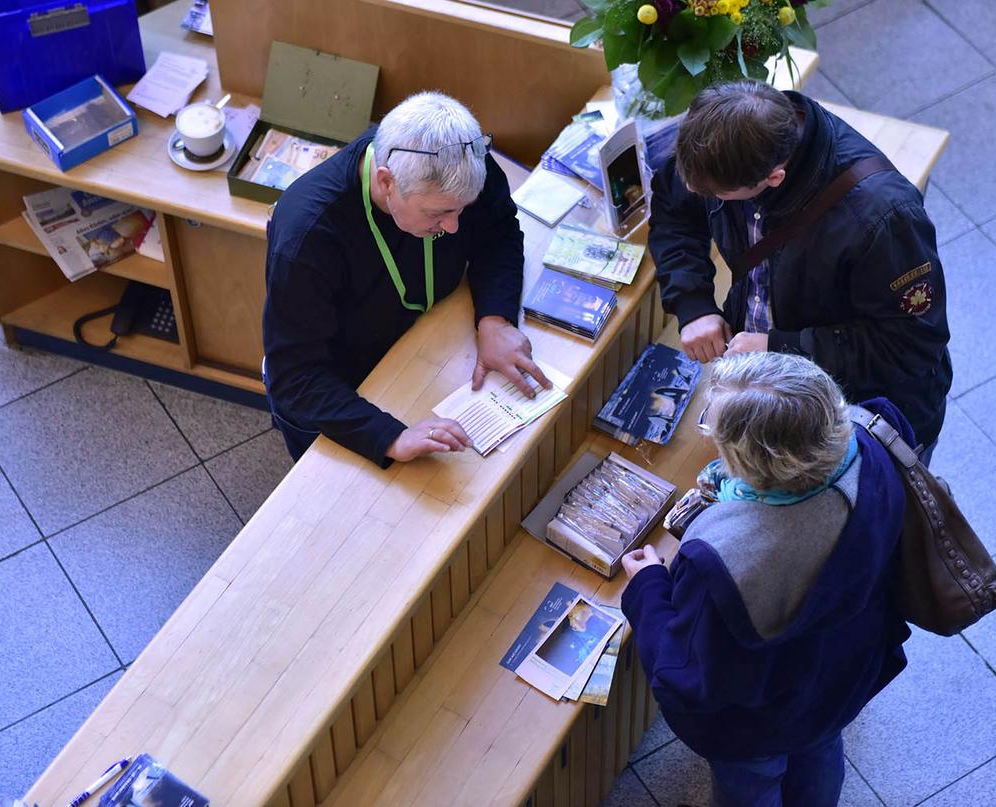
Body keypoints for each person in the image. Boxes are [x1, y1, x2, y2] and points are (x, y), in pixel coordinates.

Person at [620, 352, 912, 807]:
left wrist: (648, 586)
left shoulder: (722, 558)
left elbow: (686, 674)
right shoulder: (877, 437)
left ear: (755, 462)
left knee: (752, 783)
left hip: (762, 718)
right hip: (844, 671)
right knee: (820, 750)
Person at [648, 80, 951, 458]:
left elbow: (911, 346)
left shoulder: (882, 217)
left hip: (858, 418)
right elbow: (674, 211)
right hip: (772, 390)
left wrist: (782, 348)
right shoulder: (719, 148)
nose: (697, 193)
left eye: (716, 196)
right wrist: (693, 303)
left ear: (773, 178)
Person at [262, 91, 550, 466]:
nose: (453, 225)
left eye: (461, 210)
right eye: (439, 214)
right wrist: (390, 437)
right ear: (386, 182)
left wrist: (495, 319)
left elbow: (498, 231)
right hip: (336, 390)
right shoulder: (307, 235)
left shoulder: (462, 164)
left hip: (414, 351)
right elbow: (295, 377)